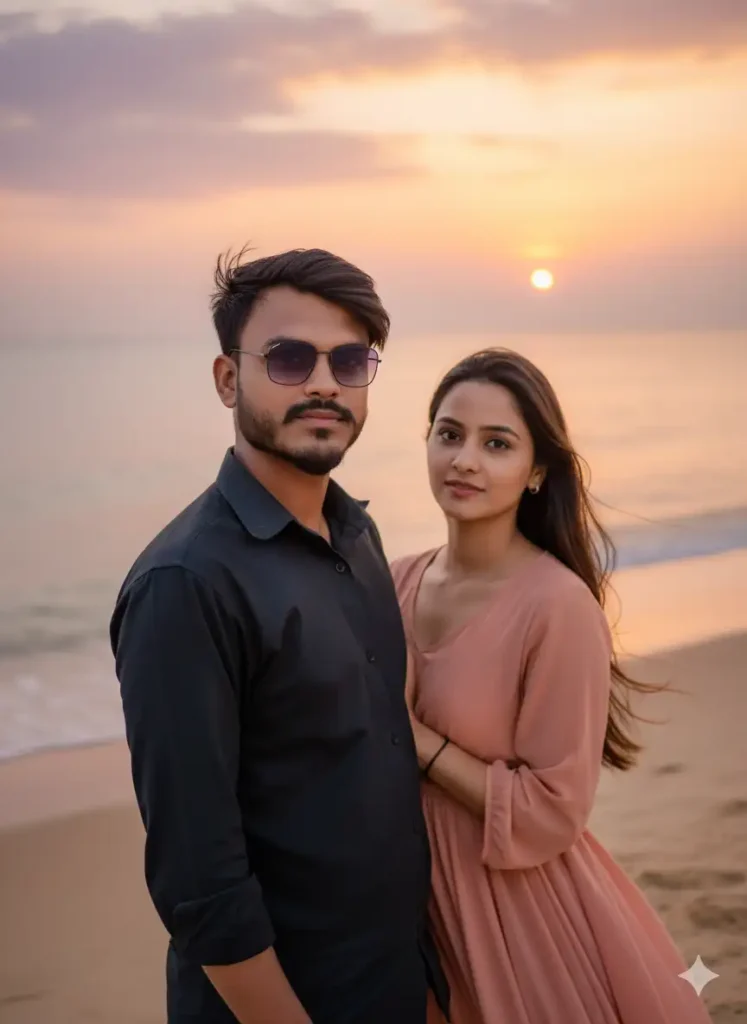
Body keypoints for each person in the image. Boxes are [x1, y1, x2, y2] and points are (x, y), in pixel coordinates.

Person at [110, 247, 448, 1024]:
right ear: (229, 379)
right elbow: (201, 880)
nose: (325, 382)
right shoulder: (184, 584)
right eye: (290, 358)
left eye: (350, 360)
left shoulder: (355, 534)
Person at [391, 347, 713, 1024]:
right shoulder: (390, 583)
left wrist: (414, 740)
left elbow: (551, 811)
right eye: (448, 434)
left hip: (515, 915)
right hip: (400, 911)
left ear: (535, 470)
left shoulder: (557, 608)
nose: (465, 460)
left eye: (496, 443)